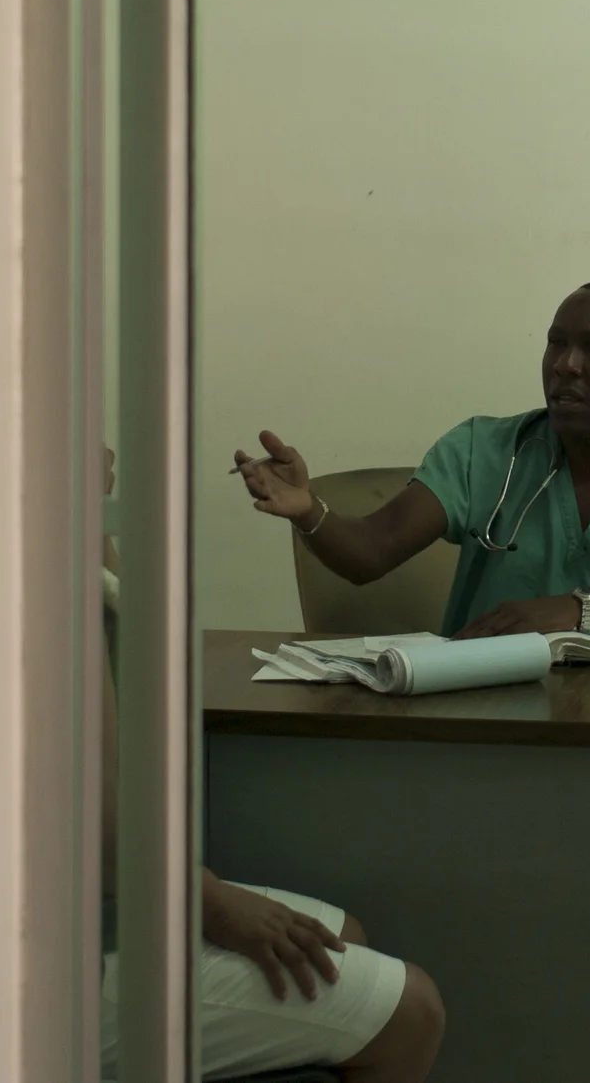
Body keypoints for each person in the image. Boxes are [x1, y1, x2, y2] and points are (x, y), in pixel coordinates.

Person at [232, 280, 590, 788]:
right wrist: (309, 512)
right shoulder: (483, 452)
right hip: (488, 729)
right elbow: (368, 555)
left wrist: (578, 608)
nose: (566, 365)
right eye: (555, 344)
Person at [99, 455, 445, 1082]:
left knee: (345, 936)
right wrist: (219, 907)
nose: (111, 456)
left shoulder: (64, 561)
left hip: (93, 904)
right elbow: (100, 833)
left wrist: (85, 521)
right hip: (54, 951)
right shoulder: (23, 587)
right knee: (412, 1009)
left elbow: (133, 671)